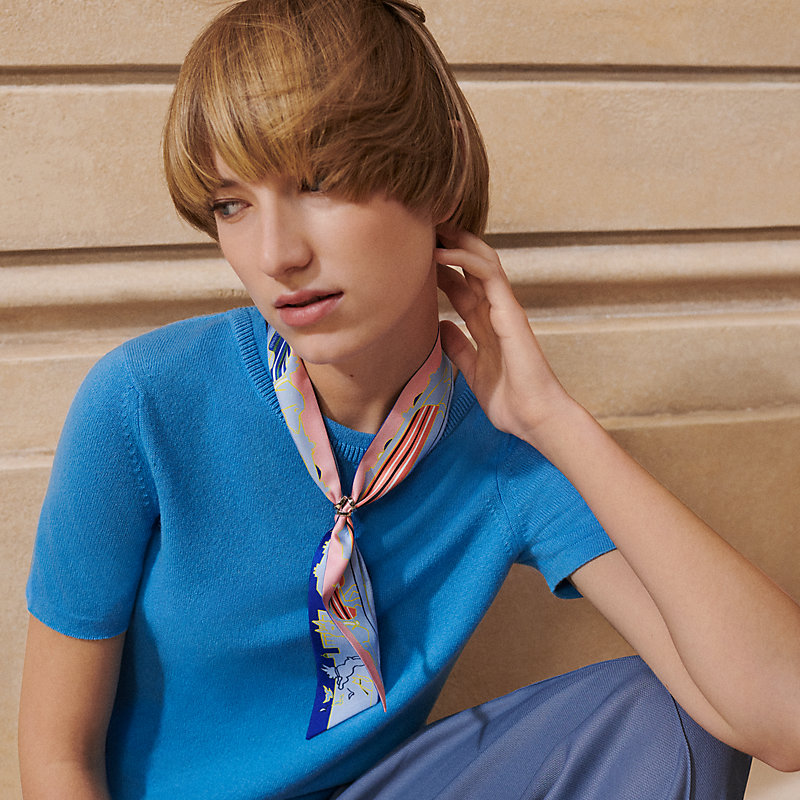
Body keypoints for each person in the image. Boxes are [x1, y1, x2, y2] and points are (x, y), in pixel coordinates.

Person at [18, 0, 800, 798]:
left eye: (319, 181)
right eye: (232, 204)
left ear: (441, 175)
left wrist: (554, 421)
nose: (276, 254)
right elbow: (56, 757)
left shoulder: (506, 447)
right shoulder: (143, 405)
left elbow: (784, 717)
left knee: (670, 714)